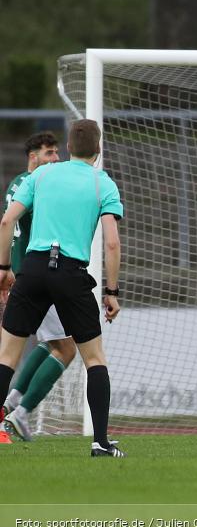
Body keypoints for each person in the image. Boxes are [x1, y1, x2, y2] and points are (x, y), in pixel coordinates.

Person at [0, 119, 124, 457]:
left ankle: (12, 416)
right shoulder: (102, 183)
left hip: (34, 267)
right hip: (70, 272)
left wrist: (4, 268)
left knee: (7, 357)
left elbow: (7, 220)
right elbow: (111, 243)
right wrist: (112, 291)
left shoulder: (41, 175)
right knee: (94, 359)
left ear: (68, 147)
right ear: (98, 149)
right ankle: (100, 442)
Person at [1, 132, 78, 444]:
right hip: (38, 274)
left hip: (22, 275)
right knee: (67, 347)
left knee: (48, 343)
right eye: (49, 153)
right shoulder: (36, 186)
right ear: (33, 156)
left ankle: (11, 403)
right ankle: (20, 412)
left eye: (57, 152)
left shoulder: (17, 183)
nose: (55, 159)